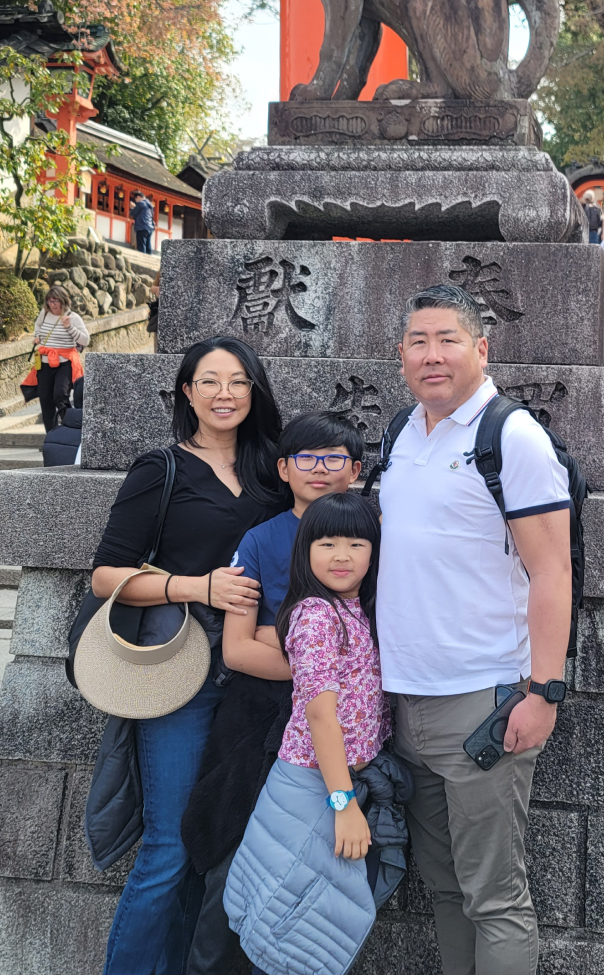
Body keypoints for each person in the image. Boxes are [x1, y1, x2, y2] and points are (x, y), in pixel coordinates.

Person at [376, 284, 573, 975]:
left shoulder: (509, 435)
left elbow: (550, 570)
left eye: (447, 340)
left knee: (495, 895)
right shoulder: (400, 432)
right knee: (443, 887)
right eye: (418, 342)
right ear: (400, 355)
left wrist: (543, 691)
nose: (432, 355)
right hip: (406, 701)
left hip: (483, 703)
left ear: (480, 349)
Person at [91, 335, 289, 975]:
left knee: (222, 843)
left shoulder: (272, 471)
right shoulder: (162, 467)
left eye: (237, 381)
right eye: (209, 381)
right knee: (170, 846)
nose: (224, 393)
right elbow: (106, 576)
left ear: (254, 390)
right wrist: (197, 586)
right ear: (187, 392)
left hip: (258, 675)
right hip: (184, 669)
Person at [181, 411, 365, 974]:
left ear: (356, 471)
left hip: (341, 742)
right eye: (306, 458)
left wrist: (286, 643)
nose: (320, 469)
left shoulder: (372, 533)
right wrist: (330, 669)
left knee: (319, 878)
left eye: (334, 457)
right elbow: (238, 650)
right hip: (259, 725)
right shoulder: (261, 539)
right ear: (283, 468)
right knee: (235, 861)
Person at [224, 492, 394, 975]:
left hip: (333, 782)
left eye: (357, 543)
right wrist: (344, 807)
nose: (342, 555)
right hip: (314, 788)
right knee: (291, 918)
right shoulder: (317, 615)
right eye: (327, 543)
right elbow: (322, 717)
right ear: (305, 550)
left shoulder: (354, 608)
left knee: (305, 919)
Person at [20, 286, 90, 432]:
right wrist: (37, 336)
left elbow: (85, 340)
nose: (52, 304)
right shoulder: (44, 314)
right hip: (44, 364)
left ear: (63, 301)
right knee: (45, 400)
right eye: (49, 301)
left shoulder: (73, 317)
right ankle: (51, 436)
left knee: (60, 396)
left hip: (64, 363)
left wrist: (69, 327)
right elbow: (38, 325)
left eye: (55, 301)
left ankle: (69, 431)